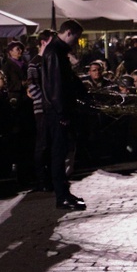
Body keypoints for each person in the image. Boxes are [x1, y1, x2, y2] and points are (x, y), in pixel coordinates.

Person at [41, 19, 86, 210]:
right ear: (68, 33)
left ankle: (64, 192)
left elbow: (66, 80)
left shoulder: (57, 51)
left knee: (63, 152)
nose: (76, 42)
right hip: (57, 111)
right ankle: (61, 196)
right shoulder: (55, 52)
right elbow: (56, 86)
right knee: (59, 154)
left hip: (59, 110)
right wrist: (62, 113)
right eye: (76, 38)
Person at [26, 29, 55, 191]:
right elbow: (33, 87)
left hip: (51, 107)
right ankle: (42, 180)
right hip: (42, 108)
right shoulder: (35, 63)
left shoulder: (51, 60)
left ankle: (50, 177)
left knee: (51, 144)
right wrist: (47, 101)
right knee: (43, 144)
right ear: (43, 43)